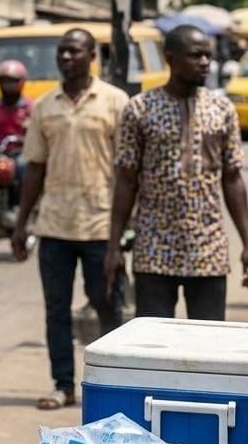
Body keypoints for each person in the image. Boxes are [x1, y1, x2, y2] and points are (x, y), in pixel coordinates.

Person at [10, 29, 128, 411]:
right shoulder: (45, 106)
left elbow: (129, 172)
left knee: (108, 306)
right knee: (56, 311)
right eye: (62, 51)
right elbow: (35, 169)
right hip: (55, 226)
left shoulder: (115, 102)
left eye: (74, 51)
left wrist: (127, 230)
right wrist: (21, 222)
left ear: (92, 55)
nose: (66, 57)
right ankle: (63, 385)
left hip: (101, 226)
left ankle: (113, 386)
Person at [105, 25, 248, 321]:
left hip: (207, 250)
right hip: (154, 249)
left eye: (208, 56)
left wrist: (247, 242)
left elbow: (232, 178)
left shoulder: (221, 109)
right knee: (154, 348)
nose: (205, 63)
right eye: (196, 56)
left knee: (208, 347)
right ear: (170, 58)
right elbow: (126, 180)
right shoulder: (140, 110)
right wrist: (114, 246)